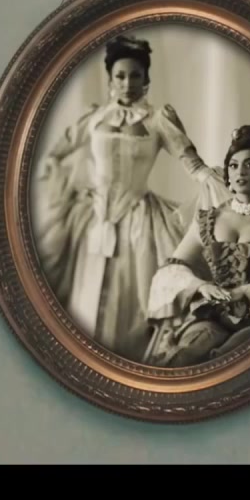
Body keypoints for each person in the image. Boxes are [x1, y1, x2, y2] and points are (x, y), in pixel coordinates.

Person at [35, 35, 230, 361]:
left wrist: (212, 180)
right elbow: (55, 156)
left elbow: (190, 161)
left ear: (146, 79)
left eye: (135, 75)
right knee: (86, 299)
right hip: (95, 221)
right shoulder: (94, 119)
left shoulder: (157, 120)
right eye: (121, 76)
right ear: (110, 79)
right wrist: (69, 183)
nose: (127, 83)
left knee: (131, 305)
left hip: (139, 224)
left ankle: (130, 368)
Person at [143, 124, 250, 367]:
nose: (240, 172)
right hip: (214, 315)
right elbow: (172, 267)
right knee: (187, 353)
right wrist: (201, 286)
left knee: (228, 359)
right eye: (234, 165)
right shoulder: (209, 219)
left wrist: (247, 291)